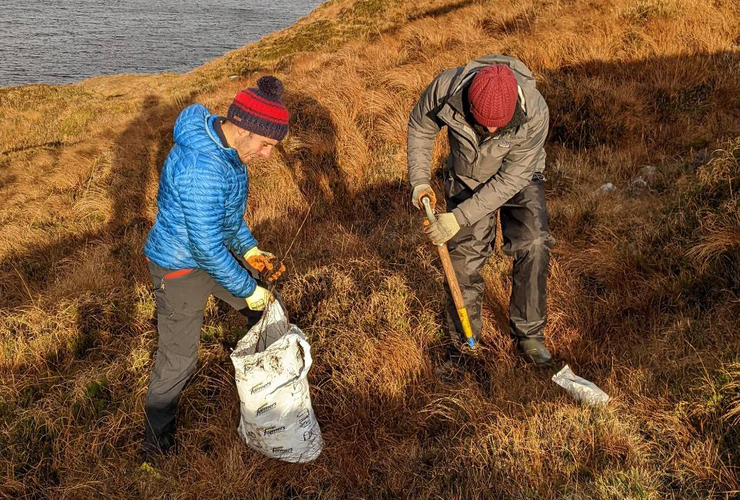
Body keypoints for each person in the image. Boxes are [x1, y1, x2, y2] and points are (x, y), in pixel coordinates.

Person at [142, 76, 289, 454]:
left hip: (212, 258)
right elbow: (205, 245)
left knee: (269, 313)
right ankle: (156, 449)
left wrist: (250, 249)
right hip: (179, 269)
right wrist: (248, 288)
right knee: (179, 360)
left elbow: (226, 216)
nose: (268, 154)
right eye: (266, 144)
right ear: (243, 128)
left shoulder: (230, 153)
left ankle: (266, 395)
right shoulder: (201, 166)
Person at [407, 55, 555, 365]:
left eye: (496, 124)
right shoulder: (446, 88)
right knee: (463, 261)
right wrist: (420, 181)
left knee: (535, 243)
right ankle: (463, 342)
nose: (488, 128)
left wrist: (458, 218)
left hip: (520, 177)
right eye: (481, 120)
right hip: (467, 175)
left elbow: (511, 179)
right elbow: (421, 126)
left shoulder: (534, 110)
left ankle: (529, 334)